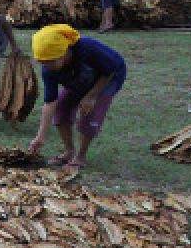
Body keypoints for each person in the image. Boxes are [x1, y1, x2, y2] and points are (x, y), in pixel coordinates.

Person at [27, 24, 126, 169]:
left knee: (90, 113)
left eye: (51, 61)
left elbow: (109, 71)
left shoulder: (88, 48)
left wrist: (92, 96)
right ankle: (69, 151)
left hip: (108, 77)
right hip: (79, 78)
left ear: (66, 52)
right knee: (61, 108)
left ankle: (80, 156)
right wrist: (40, 137)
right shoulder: (49, 70)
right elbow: (50, 102)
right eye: (42, 62)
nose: (46, 66)